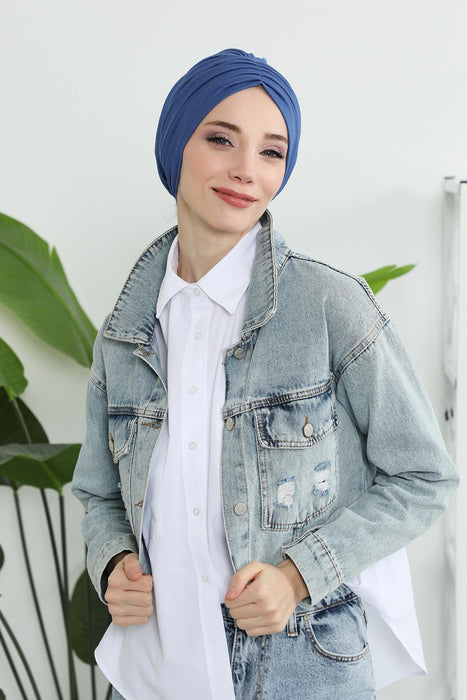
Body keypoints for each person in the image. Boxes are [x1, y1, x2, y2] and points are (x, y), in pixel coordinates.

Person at [72, 49, 458, 700]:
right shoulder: (124, 331)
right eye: (221, 139)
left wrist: (297, 575)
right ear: (175, 145)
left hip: (301, 670)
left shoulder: (330, 306)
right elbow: (97, 492)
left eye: (272, 151)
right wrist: (112, 561)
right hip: (159, 670)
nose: (246, 170)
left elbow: (423, 476)